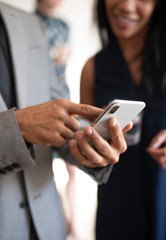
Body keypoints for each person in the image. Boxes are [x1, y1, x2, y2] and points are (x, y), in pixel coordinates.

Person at [0, 2, 131, 240]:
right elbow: (30, 123)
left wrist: (90, 146)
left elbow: (54, 111)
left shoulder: (32, 24)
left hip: (49, 226)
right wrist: (16, 128)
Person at [80, 0, 166, 239]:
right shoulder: (92, 68)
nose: (127, 6)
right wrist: (87, 148)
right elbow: (83, 154)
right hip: (116, 205)